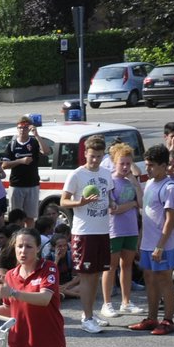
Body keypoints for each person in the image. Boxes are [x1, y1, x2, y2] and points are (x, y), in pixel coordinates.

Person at [59, 135, 114, 334]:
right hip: (84, 233)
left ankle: (88, 313)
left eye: (99, 156)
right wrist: (80, 203)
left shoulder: (107, 174)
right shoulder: (76, 175)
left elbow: (108, 196)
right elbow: (64, 201)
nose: (95, 160)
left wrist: (113, 204)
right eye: (92, 156)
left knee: (97, 275)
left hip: (102, 230)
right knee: (86, 277)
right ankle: (87, 317)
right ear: (85, 154)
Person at [130, 144, 174, 335]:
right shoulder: (151, 183)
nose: (148, 169)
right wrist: (140, 241)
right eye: (146, 165)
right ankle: (152, 318)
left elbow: (170, 220)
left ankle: (168, 321)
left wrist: (160, 246)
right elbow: (146, 216)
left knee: (165, 280)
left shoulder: (170, 188)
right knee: (149, 279)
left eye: (151, 165)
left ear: (163, 165)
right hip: (147, 243)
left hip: (164, 244)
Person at [100, 143, 143, 319]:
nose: (125, 167)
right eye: (121, 163)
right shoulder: (110, 180)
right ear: (114, 163)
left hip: (131, 228)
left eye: (128, 163)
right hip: (114, 230)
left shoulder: (131, 181)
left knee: (127, 265)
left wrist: (135, 185)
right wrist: (131, 204)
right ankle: (107, 303)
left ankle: (126, 302)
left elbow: (141, 203)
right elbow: (113, 209)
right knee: (110, 267)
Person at [3, 116, 50, 218]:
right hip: (16, 185)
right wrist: (21, 161)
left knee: (30, 217)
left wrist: (36, 135)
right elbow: (4, 165)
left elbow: (46, 152)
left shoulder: (34, 142)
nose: (22, 130)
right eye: (20, 127)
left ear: (29, 129)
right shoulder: (12, 144)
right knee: (16, 217)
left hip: (32, 185)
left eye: (25, 128)